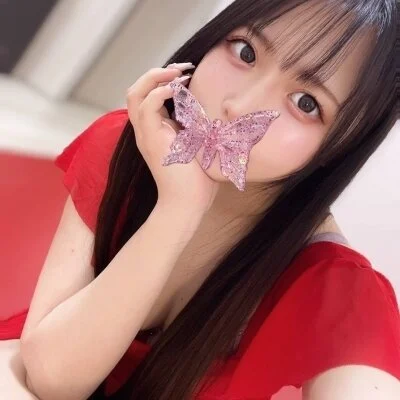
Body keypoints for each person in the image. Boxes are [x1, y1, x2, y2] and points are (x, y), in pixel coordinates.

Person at [5, 0, 399, 399]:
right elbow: (52, 380)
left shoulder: (338, 289)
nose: (238, 107)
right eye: (246, 51)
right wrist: (177, 210)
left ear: (341, 147)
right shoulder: (123, 146)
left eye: (306, 103)